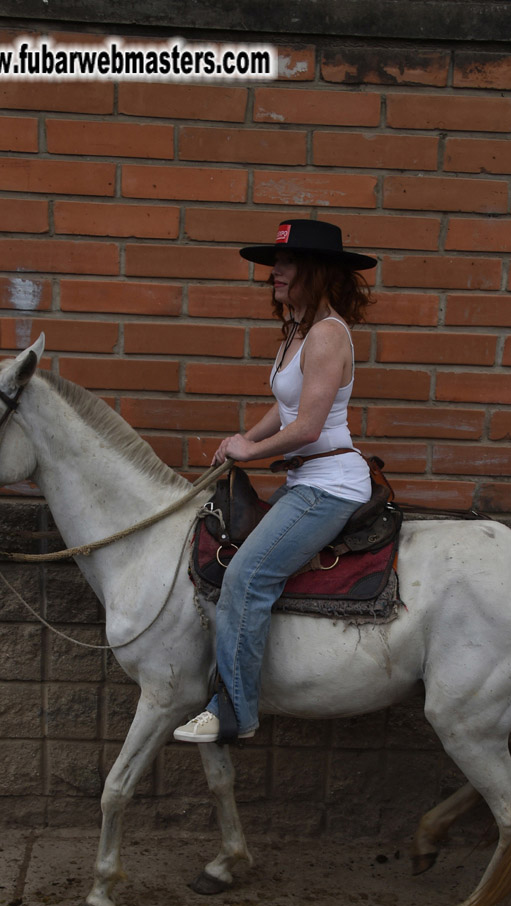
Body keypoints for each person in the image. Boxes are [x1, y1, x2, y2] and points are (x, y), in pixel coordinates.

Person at [173, 218, 376, 744]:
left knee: (247, 577)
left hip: (329, 486)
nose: (274, 273)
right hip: (308, 481)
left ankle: (234, 713)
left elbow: (308, 427)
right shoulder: (299, 332)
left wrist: (251, 452)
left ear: (317, 271)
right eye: (275, 263)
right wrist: (246, 436)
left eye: (286, 263)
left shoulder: (327, 335)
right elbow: (287, 406)